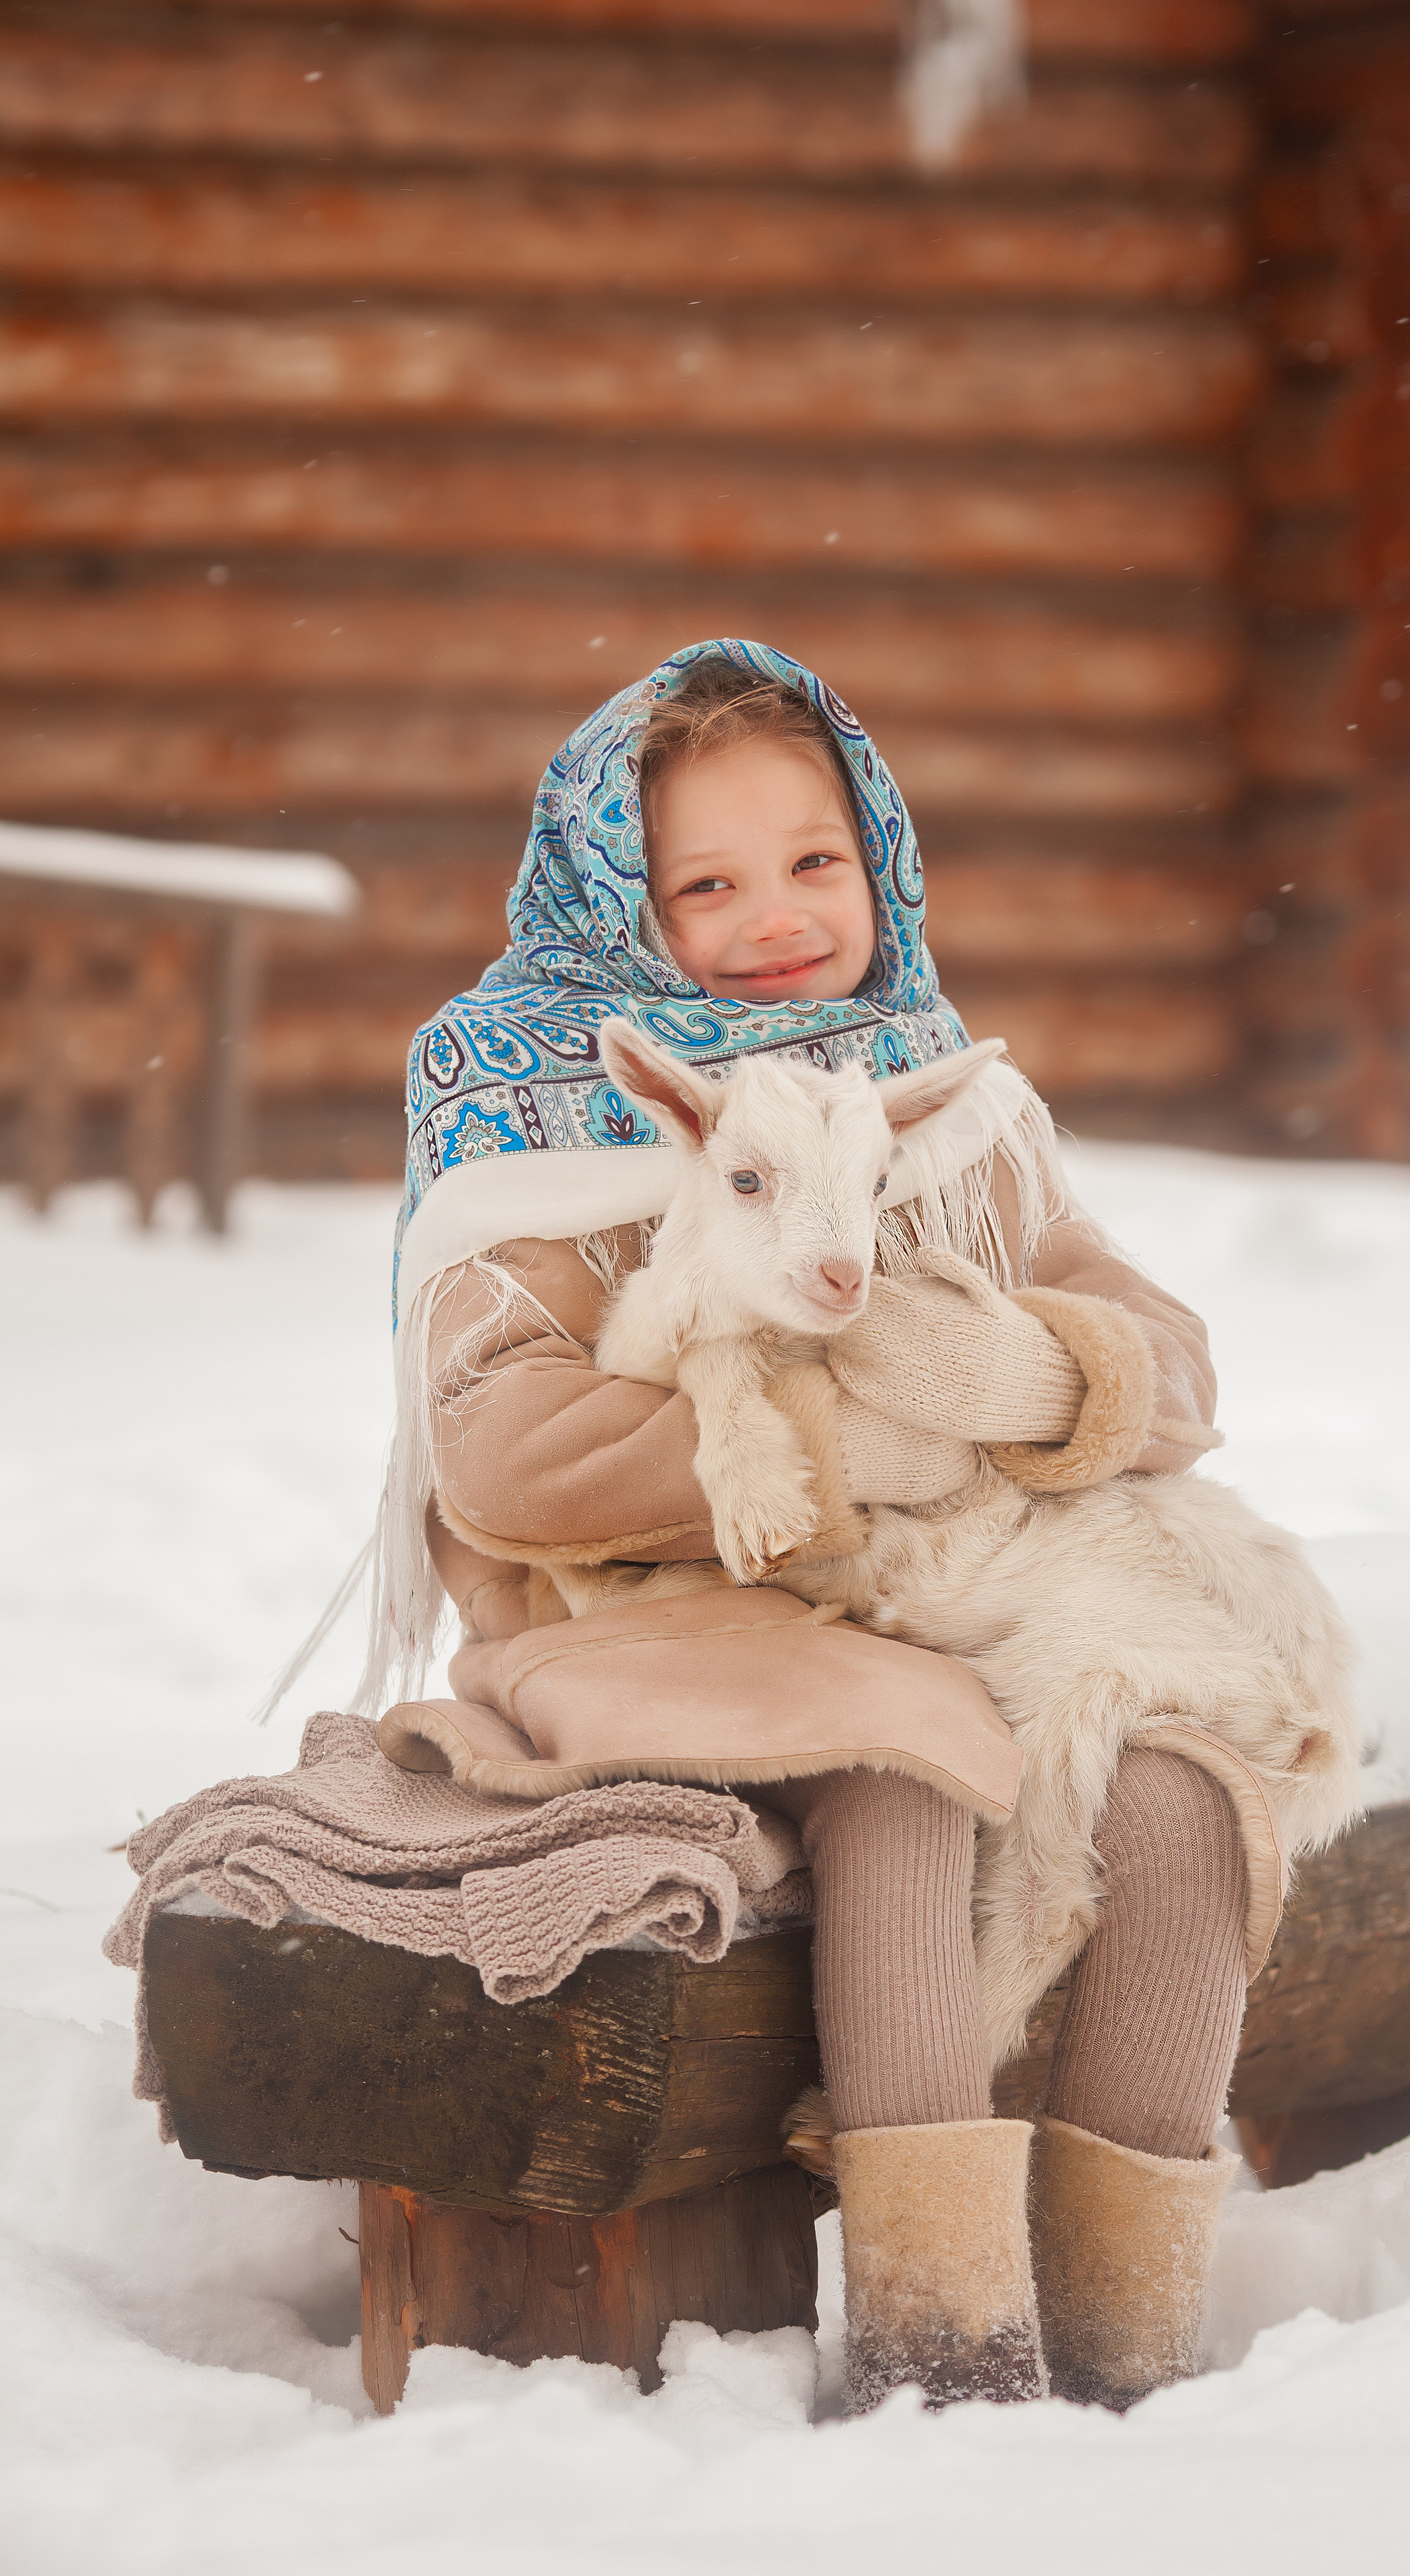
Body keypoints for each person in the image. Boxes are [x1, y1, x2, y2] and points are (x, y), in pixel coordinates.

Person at [370, 641, 1316, 2414]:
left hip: (944, 1605)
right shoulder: (524, 1099)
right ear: (614, 901)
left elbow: (1174, 1375)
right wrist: (855, 1440)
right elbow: (501, 1453)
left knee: (1182, 1800)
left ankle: (1122, 2368)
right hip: (653, 1625)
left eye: (816, 860)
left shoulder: (935, 1095)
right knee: (901, 1781)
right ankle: (942, 2358)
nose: (778, 917)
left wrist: (1022, 1375)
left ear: (879, 852)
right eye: (704, 883)